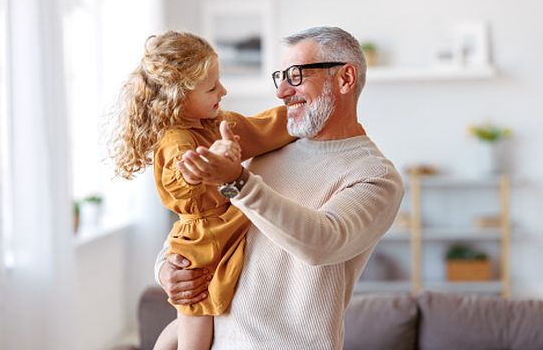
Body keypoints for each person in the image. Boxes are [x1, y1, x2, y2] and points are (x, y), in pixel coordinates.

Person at [155, 26, 405, 349]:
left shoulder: (375, 176)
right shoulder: (266, 148)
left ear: (345, 79)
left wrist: (237, 181)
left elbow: (322, 242)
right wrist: (165, 269)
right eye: (281, 77)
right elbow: (203, 219)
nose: (282, 91)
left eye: (297, 75)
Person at [109, 30, 294, 350]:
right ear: (179, 97)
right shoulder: (176, 141)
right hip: (199, 245)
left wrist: (299, 115)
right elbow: (181, 181)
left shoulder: (217, 123)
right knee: (196, 331)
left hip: (225, 225)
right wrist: (210, 163)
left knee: (190, 330)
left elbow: (262, 129)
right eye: (212, 87)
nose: (223, 90)